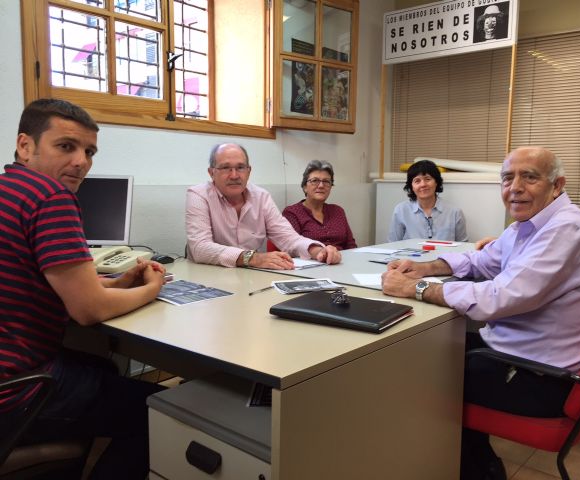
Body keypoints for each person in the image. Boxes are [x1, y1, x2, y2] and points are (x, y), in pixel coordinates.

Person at [381, 146, 580, 480]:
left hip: (544, 378)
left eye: (529, 177)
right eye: (507, 178)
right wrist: (424, 267)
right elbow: (482, 261)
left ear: (557, 185)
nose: (514, 187)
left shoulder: (565, 230)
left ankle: (475, 469)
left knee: (419, 376)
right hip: (524, 354)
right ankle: (476, 461)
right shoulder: (528, 224)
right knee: (431, 352)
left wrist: (417, 289)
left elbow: (500, 297)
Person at [0, 99, 167, 479]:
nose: (82, 162)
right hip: (14, 393)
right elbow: (87, 310)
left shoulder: (9, 188)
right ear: (25, 146)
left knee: (101, 367)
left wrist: (116, 283)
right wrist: (152, 289)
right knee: (155, 408)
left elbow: (36, 279)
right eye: (66, 146)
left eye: (89, 151)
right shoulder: (51, 197)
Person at [186, 143, 341, 269]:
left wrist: (318, 251)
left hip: (251, 277)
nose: (234, 175)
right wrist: (252, 258)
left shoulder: (261, 197)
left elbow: (287, 237)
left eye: (240, 167)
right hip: (208, 276)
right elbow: (200, 248)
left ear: (248, 171)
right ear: (211, 172)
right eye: (226, 168)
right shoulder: (198, 195)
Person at [282, 160, 357, 250]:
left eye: (326, 181)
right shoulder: (292, 213)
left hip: (342, 261)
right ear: (305, 187)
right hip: (311, 262)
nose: (321, 185)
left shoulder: (338, 211)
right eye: (315, 180)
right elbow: (292, 247)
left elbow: (351, 245)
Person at [387, 159, 468, 242]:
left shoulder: (454, 212)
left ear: (436, 182)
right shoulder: (401, 210)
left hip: (443, 255)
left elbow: (463, 247)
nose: (423, 184)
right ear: (411, 186)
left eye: (427, 179)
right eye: (417, 181)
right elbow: (393, 244)